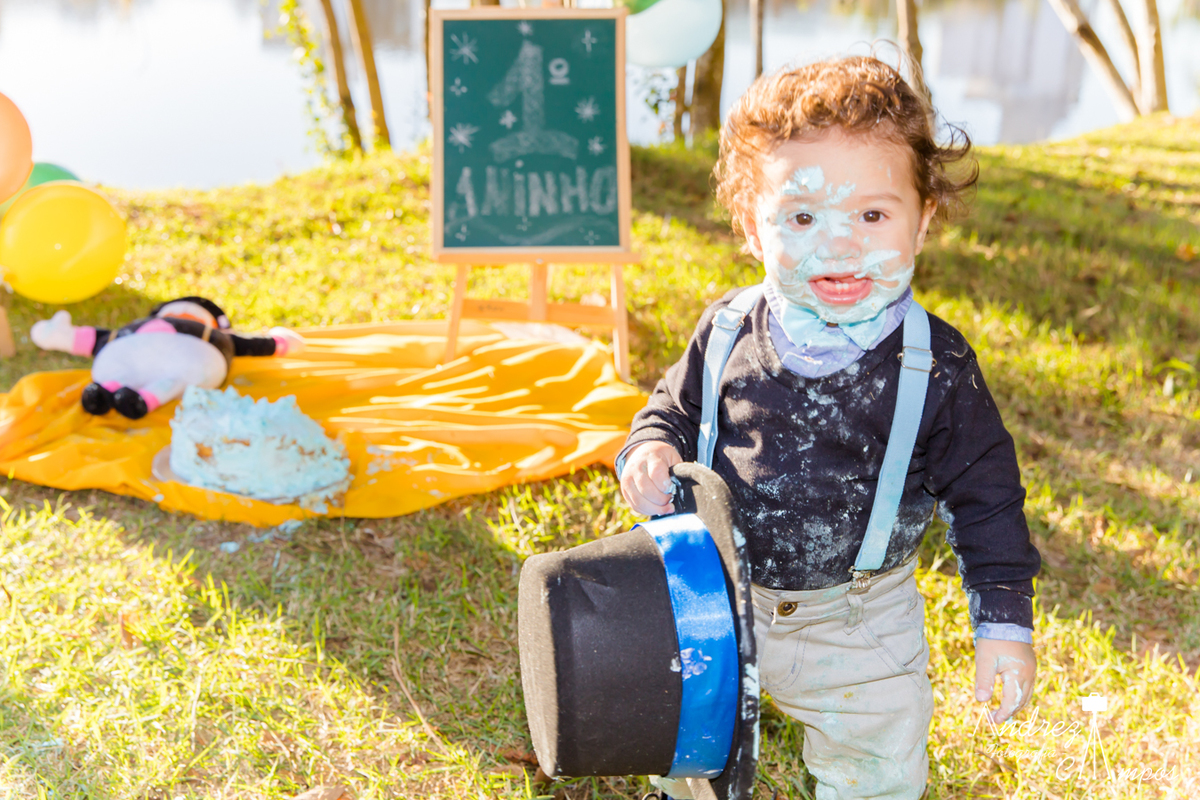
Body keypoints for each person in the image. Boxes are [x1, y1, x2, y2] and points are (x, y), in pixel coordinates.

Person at [617, 56, 1041, 800]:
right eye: (804, 217)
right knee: (686, 754)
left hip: (858, 621)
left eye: (873, 215)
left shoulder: (934, 367)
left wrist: (1003, 623)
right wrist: (650, 447)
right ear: (754, 226)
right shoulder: (724, 331)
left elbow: (988, 499)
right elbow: (673, 410)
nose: (840, 244)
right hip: (716, 596)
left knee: (876, 763)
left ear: (924, 218)